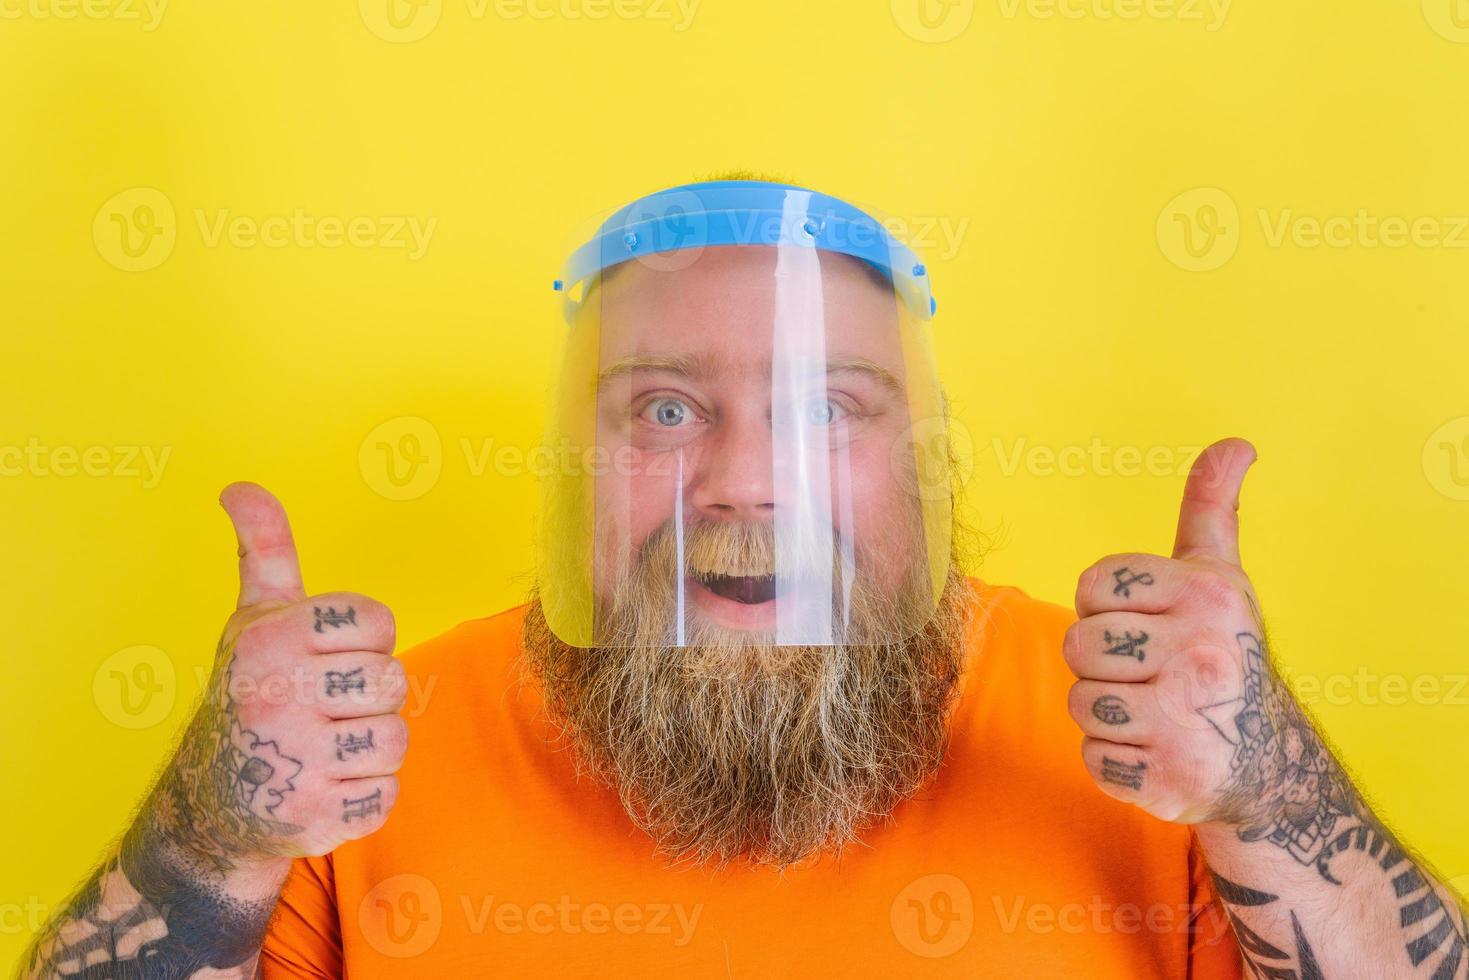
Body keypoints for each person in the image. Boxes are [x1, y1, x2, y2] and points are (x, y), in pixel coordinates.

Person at [22, 177, 1465, 979]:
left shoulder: (1150, 736)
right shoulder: (353, 746)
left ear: (923, 461)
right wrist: (213, 834)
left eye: (829, 407)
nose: (741, 482)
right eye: (660, 407)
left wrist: (1272, 791)